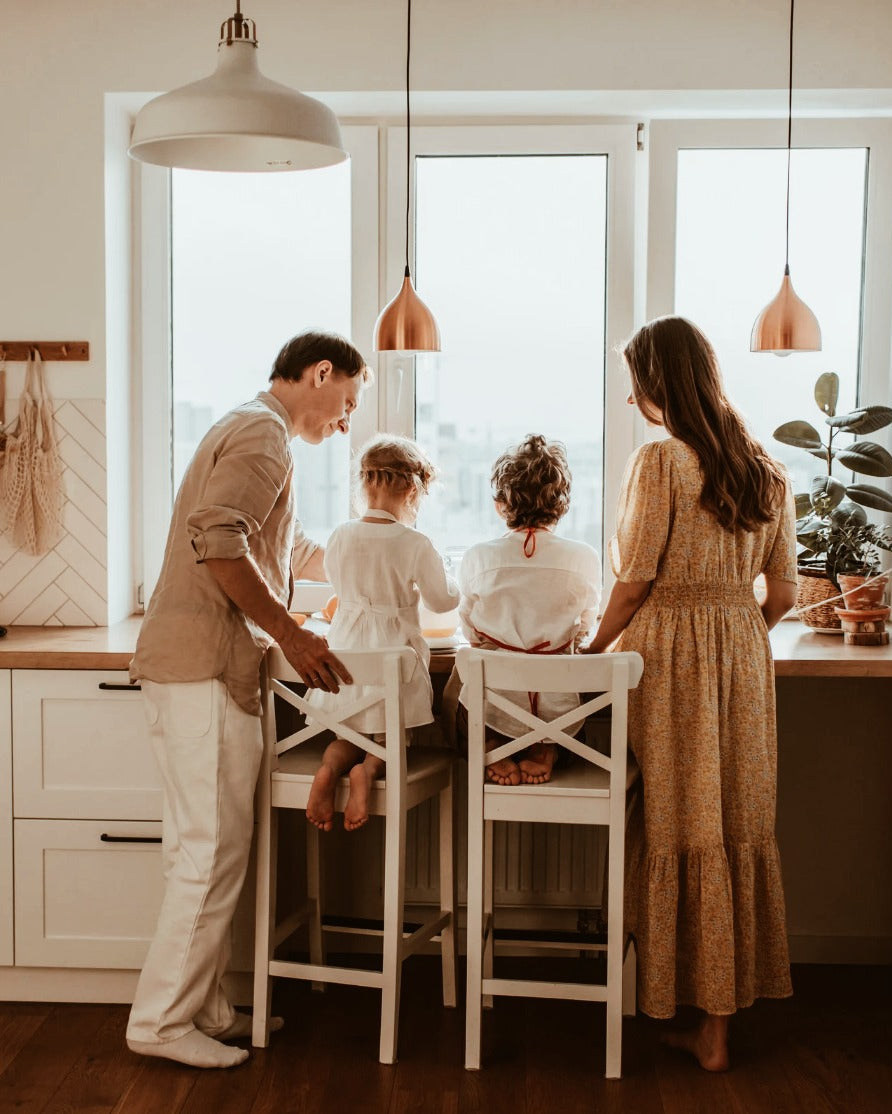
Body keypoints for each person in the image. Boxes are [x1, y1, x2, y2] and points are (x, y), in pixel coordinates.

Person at [126, 330, 371, 1069]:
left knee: (199, 851)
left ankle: (202, 1006)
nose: (347, 422)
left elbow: (281, 550)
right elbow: (220, 541)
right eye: (350, 402)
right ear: (321, 374)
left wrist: (377, 555)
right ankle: (160, 1023)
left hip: (190, 665)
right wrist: (292, 634)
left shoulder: (249, 426)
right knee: (209, 854)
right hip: (203, 666)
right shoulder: (264, 436)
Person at [586, 316, 798, 1071]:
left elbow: (634, 579)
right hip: (743, 659)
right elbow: (784, 593)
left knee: (674, 823)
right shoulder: (767, 468)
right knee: (734, 826)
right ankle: (717, 1030)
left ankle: (670, 1000)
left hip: (669, 660)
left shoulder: (661, 463)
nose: (632, 397)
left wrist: (591, 651)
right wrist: (735, 634)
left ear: (656, 382)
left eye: (634, 382)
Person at [305, 435, 460, 832]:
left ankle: (329, 769)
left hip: (345, 661)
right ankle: (370, 770)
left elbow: (338, 583)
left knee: (346, 736)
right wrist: (455, 582)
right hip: (392, 657)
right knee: (391, 738)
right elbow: (442, 601)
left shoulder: (341, 535)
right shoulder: (415, 543)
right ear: (413, 490)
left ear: (364, 485)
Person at [453, 433, 601, 785]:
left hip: (493, 707)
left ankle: (493, 742)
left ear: (500, 504)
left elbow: (469, 630)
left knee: (458, 709)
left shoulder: (477, 557)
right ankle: (548, 748)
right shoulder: (584, 557)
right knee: (572, 718)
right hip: (559, 717)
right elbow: (585, 626)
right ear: (562, 504)